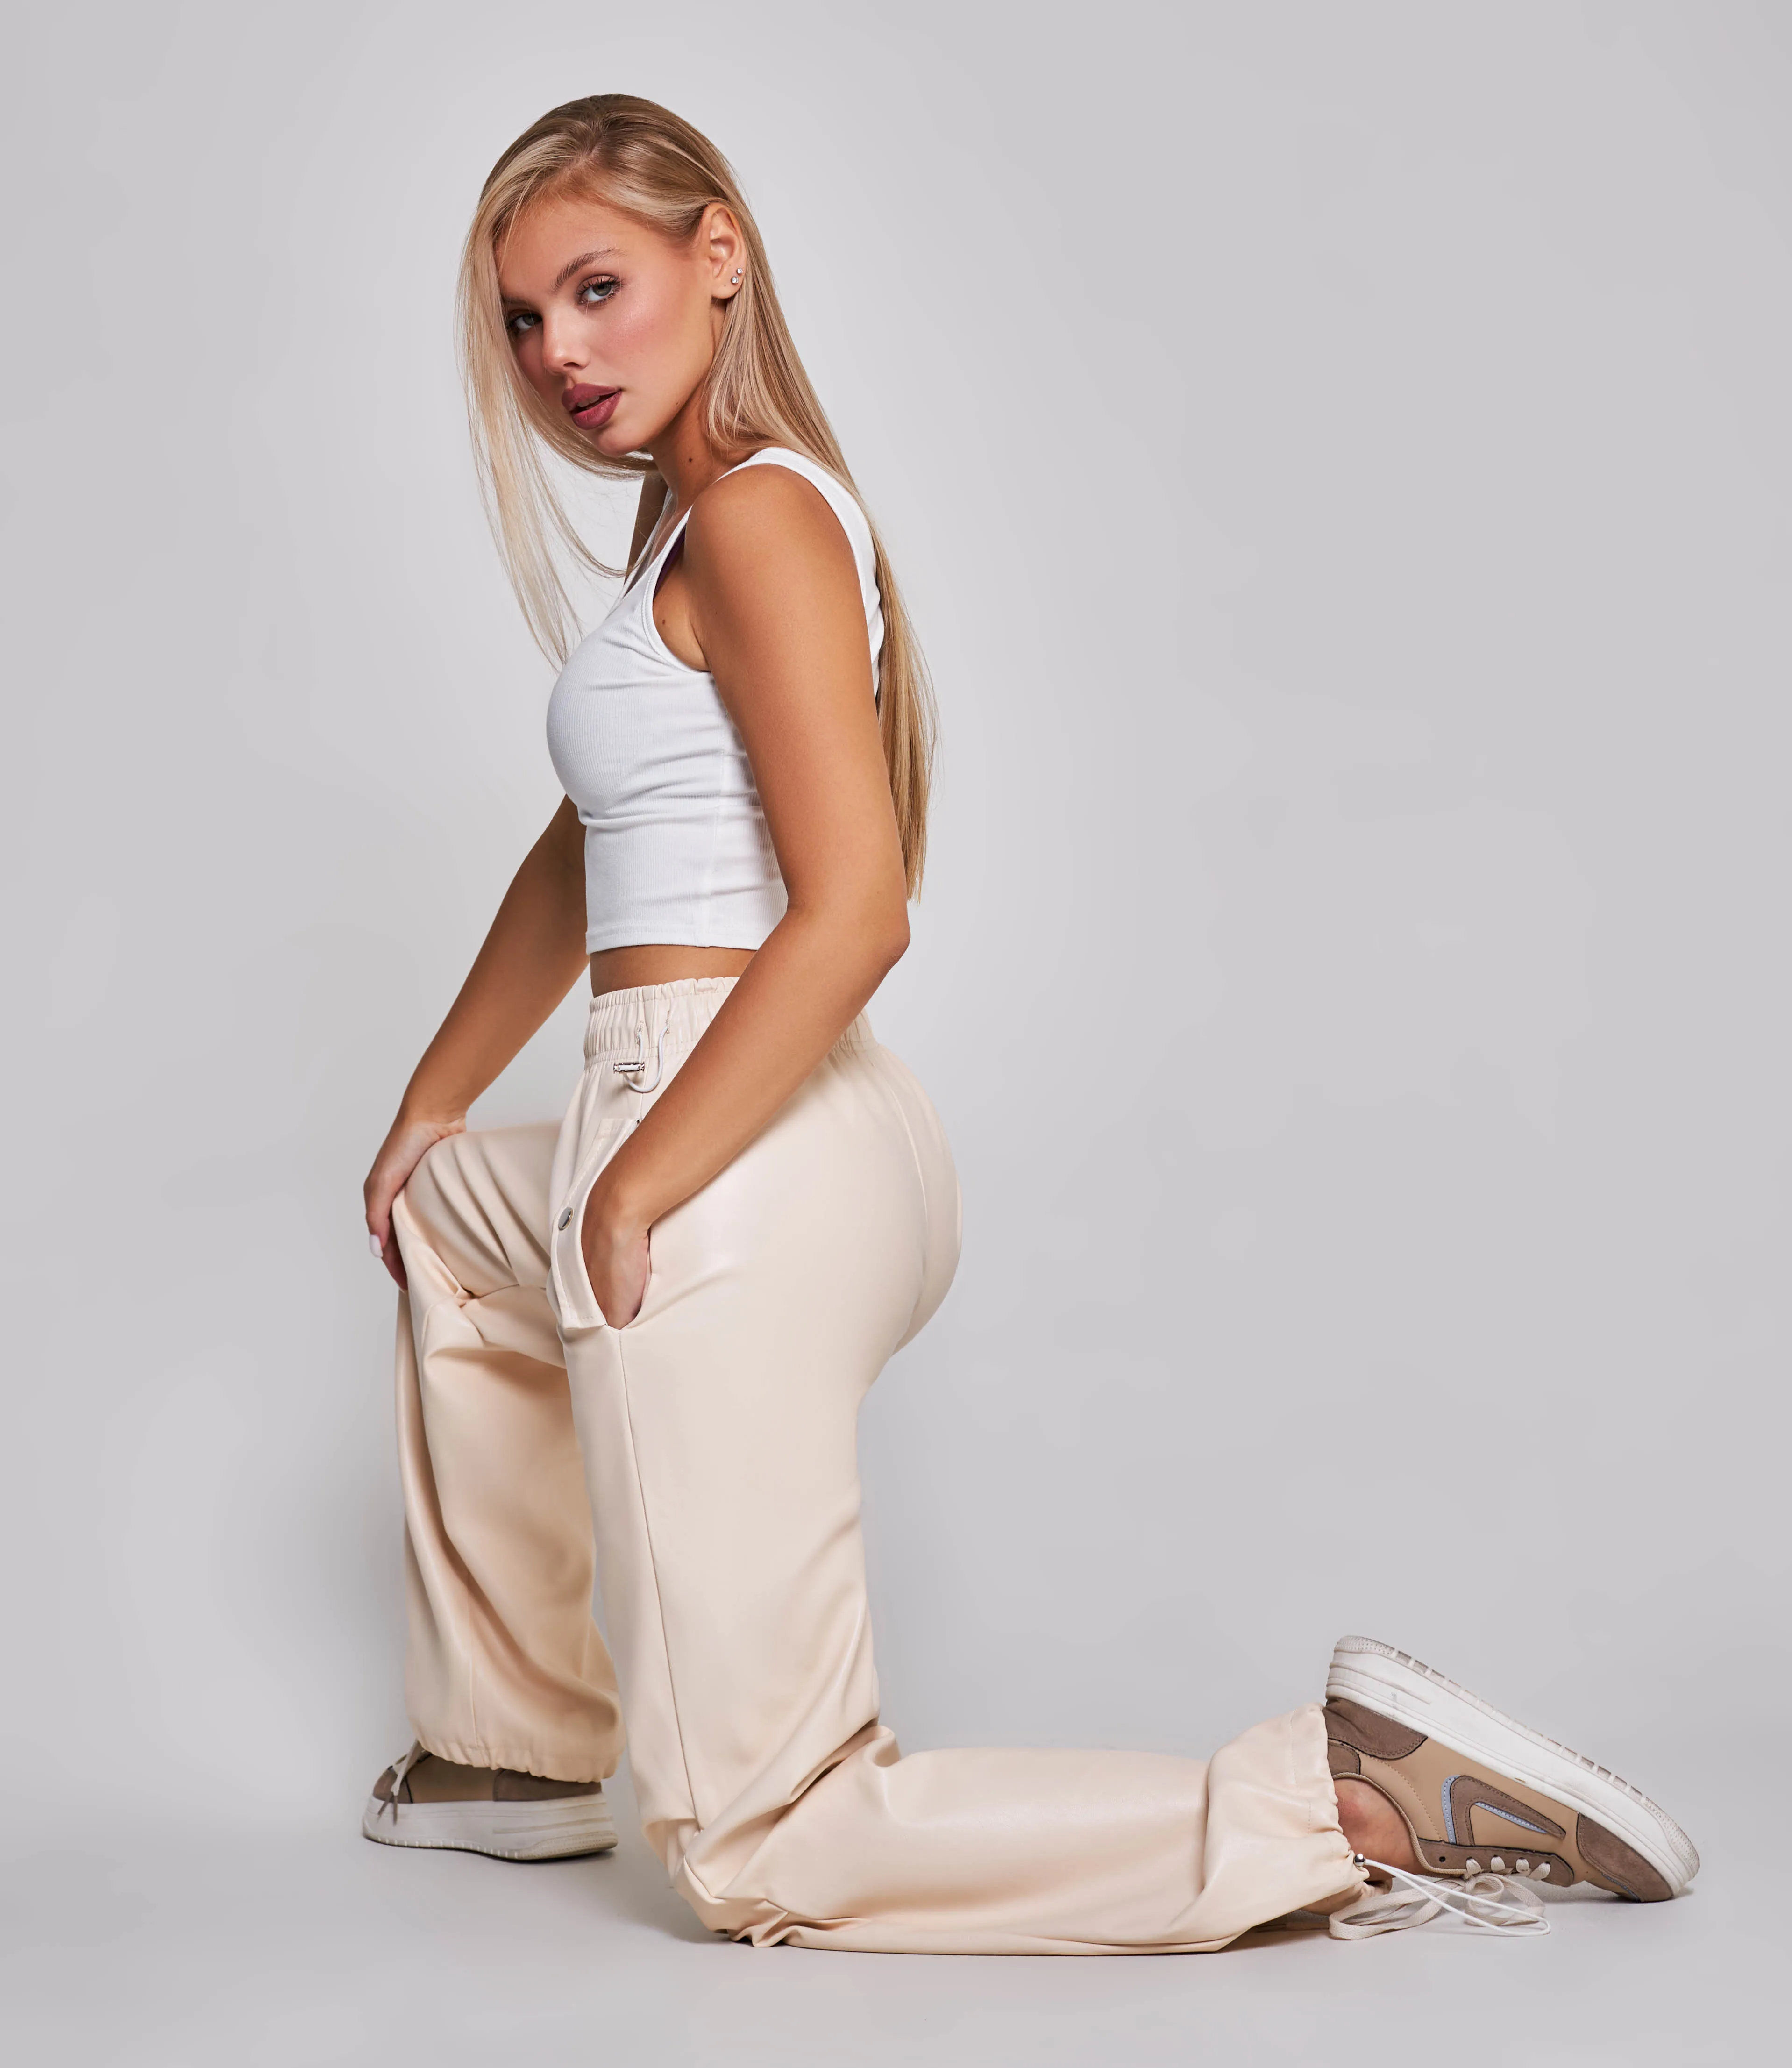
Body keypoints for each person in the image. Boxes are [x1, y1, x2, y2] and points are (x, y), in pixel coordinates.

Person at [357, 93, 1697, 1952]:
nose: (557, 354)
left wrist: (635, 1187)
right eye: (521, 320)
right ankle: (514, 1755)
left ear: (716, 254)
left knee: (765, 1843)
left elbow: (857, 909)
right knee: (450, 1225)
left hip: (718, 1137)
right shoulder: (699, 526)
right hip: (814, 1132)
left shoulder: (752, 518)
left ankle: (1340, 1803)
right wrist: (432, 1106)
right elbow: (589, 838)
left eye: (596, 289)